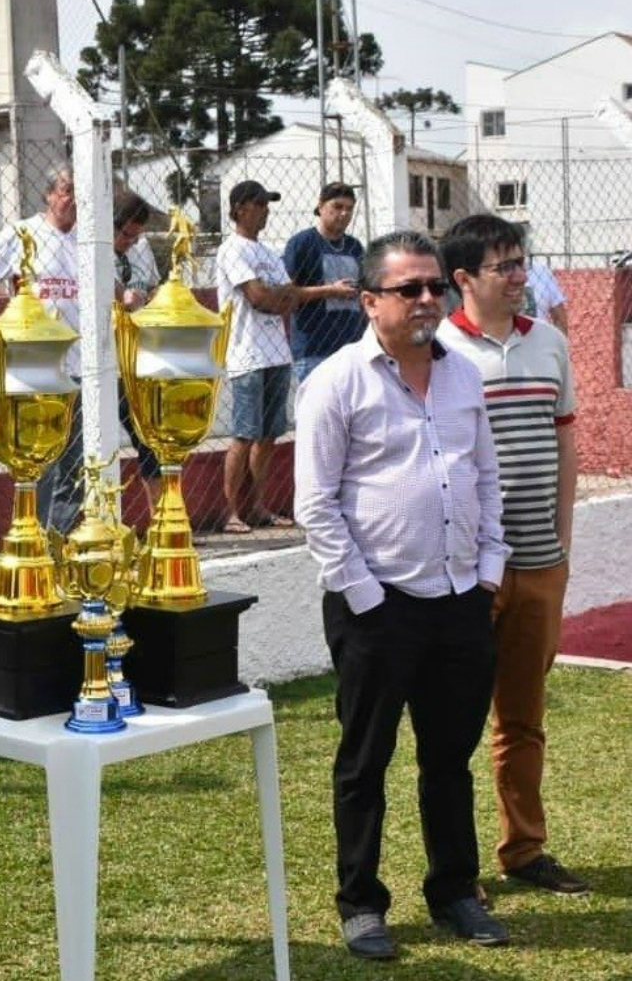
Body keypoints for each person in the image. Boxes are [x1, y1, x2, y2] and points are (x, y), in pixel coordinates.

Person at [294, 230, 510, 960]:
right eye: (408, 288)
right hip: (376, 605)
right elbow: (315, 505)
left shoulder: (465, 376)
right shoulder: (334, 382)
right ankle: (361, 902)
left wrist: (488, 572)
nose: (427, 300)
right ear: (368, 300)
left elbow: (485, 478)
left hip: (459, 598)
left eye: (434, 287)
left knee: (449, 757)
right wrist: (364, 594)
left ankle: (455, 889)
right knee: (365, 761)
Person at [439, 214, 587, 896]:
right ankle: (457, 870)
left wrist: (560, 540)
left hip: (539, 563)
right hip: (470, 570)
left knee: (524, 717)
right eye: (506, 266)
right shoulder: (439, 351)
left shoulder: (549, 344)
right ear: (464, 278)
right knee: (456, 721)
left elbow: (565, 444)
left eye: (522, 262)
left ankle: (524, 849)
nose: (521, 276)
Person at [218, 180, 357, 534]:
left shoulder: (264, 251)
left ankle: (258, 505)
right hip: (246, 351)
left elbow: (289, 294)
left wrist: (282, 294)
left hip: (276, 351)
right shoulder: (233, 250)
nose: (266, 210)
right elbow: (260, 298)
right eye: (260, 204)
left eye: (267, 204)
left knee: (269, 435)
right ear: (241, 208)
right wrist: (281, 294)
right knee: (244, 433)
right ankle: (231, 510)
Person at [0, 166, 82, 532]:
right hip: (35, 369)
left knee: (75, 466)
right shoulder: (22, 232)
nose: (72, 199)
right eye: (66, 190)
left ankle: (61, 544)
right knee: (38, 462)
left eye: (79, 191)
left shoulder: (89, 237)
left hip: (79, 366)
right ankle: (32, 536)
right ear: (48, 195)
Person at [283, 182, 367, 382]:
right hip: (314, 349)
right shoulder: (302, 243)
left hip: (352, 347)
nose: (344, 214)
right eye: (337, 207)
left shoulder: (355, 246)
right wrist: (330, 290)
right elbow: (287, 294)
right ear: (321, 207)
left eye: (349, 209)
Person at [113, 191, 163, 507]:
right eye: (125, 234)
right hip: (109, 361)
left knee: (151, 440)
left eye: (136, 234)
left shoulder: (141, 248)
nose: (131, 240)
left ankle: (161, 517)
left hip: (141, 358)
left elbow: (154, 286)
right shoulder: (92, 249)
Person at [524, 260, 570, 335]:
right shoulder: (500, 274)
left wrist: (559, 345)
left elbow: (559, 317)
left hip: (540, 341)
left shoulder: (542, 271)